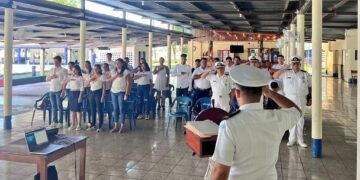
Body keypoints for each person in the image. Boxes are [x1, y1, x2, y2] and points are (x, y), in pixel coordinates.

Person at [211, 65, 302, 180]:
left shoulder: (229, 125)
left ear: (237, 93)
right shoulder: (277, 118)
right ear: (262, 93)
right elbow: (296, 111)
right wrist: (271, 93)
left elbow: (220, 173)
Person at [273, 56, 311, 148]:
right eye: (294, 64)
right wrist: (284, 68)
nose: (296, 65)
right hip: (289, 98)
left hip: (301, 98)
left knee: (300, 119)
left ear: (300, 64)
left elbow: (310, 86)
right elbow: (275, 76)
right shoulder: (286, 73)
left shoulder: (305, 74)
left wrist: (310, 98)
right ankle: (291, 139)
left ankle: (300, 140)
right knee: (291, 118)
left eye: (297, 63)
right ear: (291, 65)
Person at [108, 58, 132, 133]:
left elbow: (129, 83)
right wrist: (116, 76)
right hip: (113, 91)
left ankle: (122, 126)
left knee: (121, 109)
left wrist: (126, 94)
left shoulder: (126, 71)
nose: (117, 64)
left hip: (121, 92)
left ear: (122, 63)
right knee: (115, 109)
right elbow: (109, 80)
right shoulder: (113, 71)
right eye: (116, 63)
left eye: (118, 63)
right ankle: (116, 126)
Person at [46, 56, 68, 128]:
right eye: (54, 61)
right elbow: (47, 79)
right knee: (53, 106)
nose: (55, 63)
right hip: (51, 90)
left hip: (59, 90)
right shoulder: (52, 69)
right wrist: (52, 76)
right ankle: (54, 121)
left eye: (56, 61)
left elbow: (65, 81)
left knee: (59, 106)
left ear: (60, 61)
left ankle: (60, 122)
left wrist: (63, 91)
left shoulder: (63, 70)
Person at [88, 64, 106, 132]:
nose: (95, 70)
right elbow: (88, 84)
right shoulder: (92, 76)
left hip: (99, 93)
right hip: (92, 93)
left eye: (97, 69)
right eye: (94, 69)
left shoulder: (102, 76)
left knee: (99, 110)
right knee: (92, 109)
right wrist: (91, 79)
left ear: (99, 69)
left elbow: (104, 87)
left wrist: (103, 96)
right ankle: (93, 124)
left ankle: (100, 126)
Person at [67, 65, 84, 131]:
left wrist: (80, 97)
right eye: (73, 70)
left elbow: (82, 88)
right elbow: (67, 84)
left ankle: (79, 125)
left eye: (75, 70)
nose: (74, 71)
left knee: (78, 110)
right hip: (71, 93)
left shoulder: (80, 78)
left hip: (77, 94)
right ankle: (73, 124)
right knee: (72, 110)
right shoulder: (71, 77)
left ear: (78, 70)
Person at [82, 61, 92, 126]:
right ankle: (84, 119)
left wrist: (87, 73)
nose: (86, 66)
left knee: (89, 104)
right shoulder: (82, 71)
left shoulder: (92, 70)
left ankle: (89, 120)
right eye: (85, 64)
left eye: (87, 64)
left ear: (89, 65)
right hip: (83, 88)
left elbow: (91, 78)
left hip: (89, 88)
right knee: (83, 104)